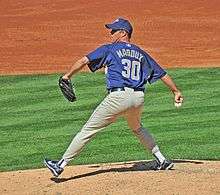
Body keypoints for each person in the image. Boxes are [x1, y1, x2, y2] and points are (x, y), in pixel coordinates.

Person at [44, 18, 183, 177]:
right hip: (138, 98)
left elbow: (84, 60)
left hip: (118, 97)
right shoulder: (140, 53)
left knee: (88, 130)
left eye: (114, 31)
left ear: (123, 33)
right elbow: (162, 74)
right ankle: (161, 159)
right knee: (137, 128)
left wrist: (67, 76)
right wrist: (175, 91)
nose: (111, 33)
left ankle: (60, 165)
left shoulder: (110, 49)